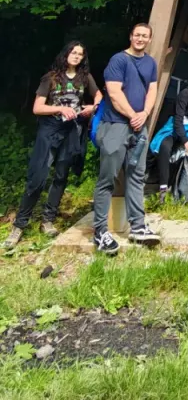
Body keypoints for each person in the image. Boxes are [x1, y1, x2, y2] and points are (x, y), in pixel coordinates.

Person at [6, 42, 101, 247]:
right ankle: (20, 225)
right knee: (37, 176)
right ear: (65, 54)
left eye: (80, 54)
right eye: (73, 52)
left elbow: (99, 96)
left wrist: (92, 107)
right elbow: (37, 108)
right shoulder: (51, 78)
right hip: (50, 129)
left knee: (61, 175)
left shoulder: (85, 78)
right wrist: (58, 109)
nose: (76, 56)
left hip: (72, 130)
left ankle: (47, 220)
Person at [92, 22, 161, 256]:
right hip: (116, 125)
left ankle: (138, 226)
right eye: (137, 35)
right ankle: (100, 231)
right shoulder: (118, 60)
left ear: (150, 40)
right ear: (131, 36)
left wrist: (145, 114)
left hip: (138, 127)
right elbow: (113, 91)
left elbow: (153, 90)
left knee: (137, 176)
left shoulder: (150, 63)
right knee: (107, 178)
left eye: (145, 36)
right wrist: (133, 115)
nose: (141, 39)